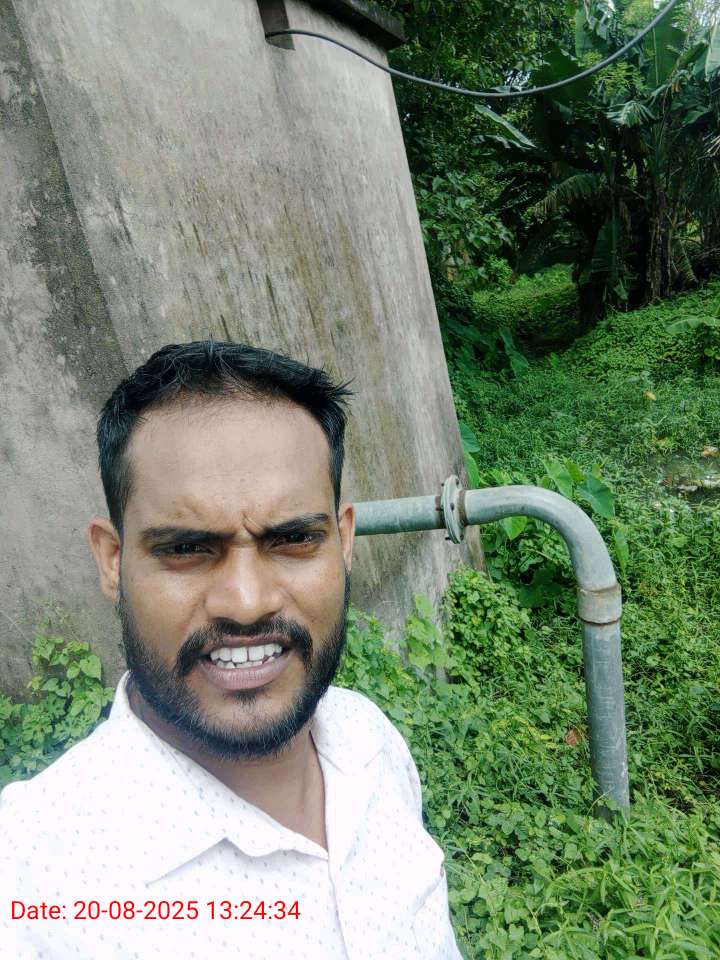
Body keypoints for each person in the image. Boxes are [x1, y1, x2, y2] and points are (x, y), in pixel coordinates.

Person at [0, 340, 463, 960]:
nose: (246, 604)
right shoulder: (31, 883)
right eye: (186, 549)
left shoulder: (369, 741)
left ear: (344, 542)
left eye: (293, 539)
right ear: (113, 561)